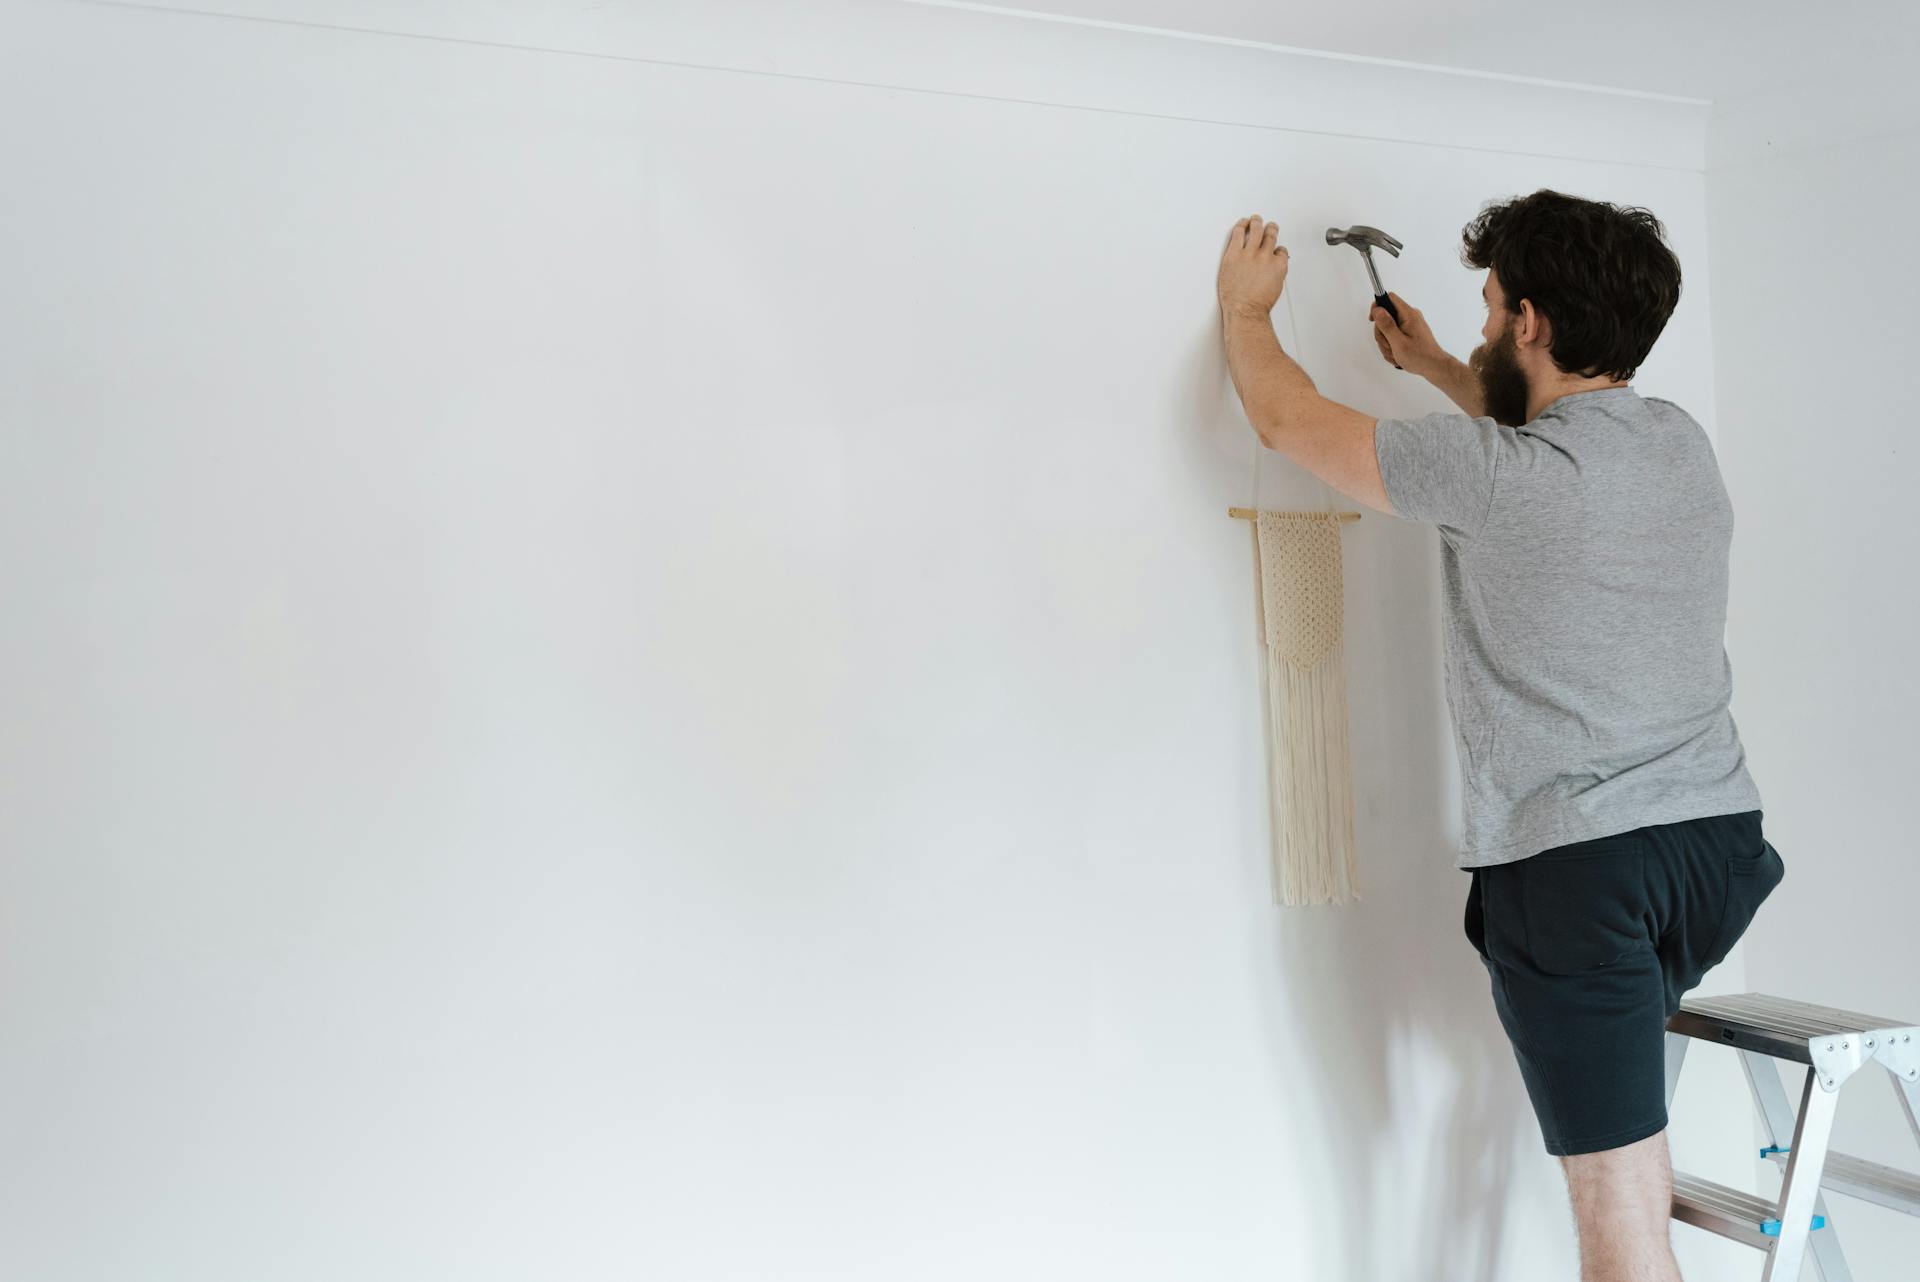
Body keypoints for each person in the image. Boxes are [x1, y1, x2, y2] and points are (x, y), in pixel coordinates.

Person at [1217, 189, 1786, 1282]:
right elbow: (1536, 426)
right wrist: (1438, 365)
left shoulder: (1489, 475)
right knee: (1634, 1168)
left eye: (1487, 313)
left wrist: (1247, 317)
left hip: (1585, 874)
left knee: (1619, 1212)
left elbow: (1288, 421)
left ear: (1530, 321)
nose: (1478, 331)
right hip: (1716, 847)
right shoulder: (1679, 446)